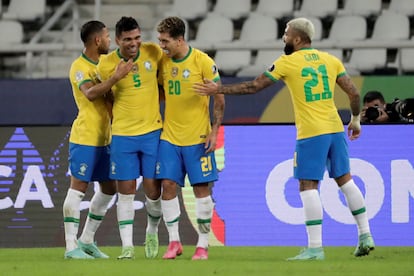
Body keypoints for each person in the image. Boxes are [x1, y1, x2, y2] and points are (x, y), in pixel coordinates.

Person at [194, 17, 374, 260]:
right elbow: (353, 92)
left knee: (307, 186)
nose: (284, 38)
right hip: (334, 128)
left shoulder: (287, 62)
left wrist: (219, 89)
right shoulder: (331, 60)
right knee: (345, 180)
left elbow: (254, 87)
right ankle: (365, 235)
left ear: (297, 39)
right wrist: (355, 119)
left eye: (287, 34)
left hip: (311, 132)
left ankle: (315, 248)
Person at [155, 16, 225, 260]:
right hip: (170, 137)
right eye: (160, 40)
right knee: (168, 186)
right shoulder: (162, 62)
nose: (162, 45)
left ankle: (203, 245)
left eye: (165, 41)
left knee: (201, 190)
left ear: (180, 39)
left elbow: (220, 98)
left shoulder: (203, 62)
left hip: (198, 138)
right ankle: (174, 242)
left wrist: (215, 130)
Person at [63, 20, 133, 259]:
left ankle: (87, 239)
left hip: (106, 137)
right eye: (106, 36)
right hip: (85, 136)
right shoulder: (79, 67)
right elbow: (91, 94)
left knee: (109, 188)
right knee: (78, 188)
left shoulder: (103, 63)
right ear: (97, 40)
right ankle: (71, 246)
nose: (109, 40)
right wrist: (115, 78)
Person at [96, 16, 164, 260]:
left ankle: (152, 231)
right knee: (125, 192)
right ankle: (127, 246)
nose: (134, 43)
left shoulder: (154, 52)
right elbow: (102, 97)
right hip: (123, 135)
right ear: (117, 40)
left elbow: (165, 83)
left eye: (137, 38)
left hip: (152, 132)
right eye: (128, 40)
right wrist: (116, 77)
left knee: (152, 190)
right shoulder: (105, 64)